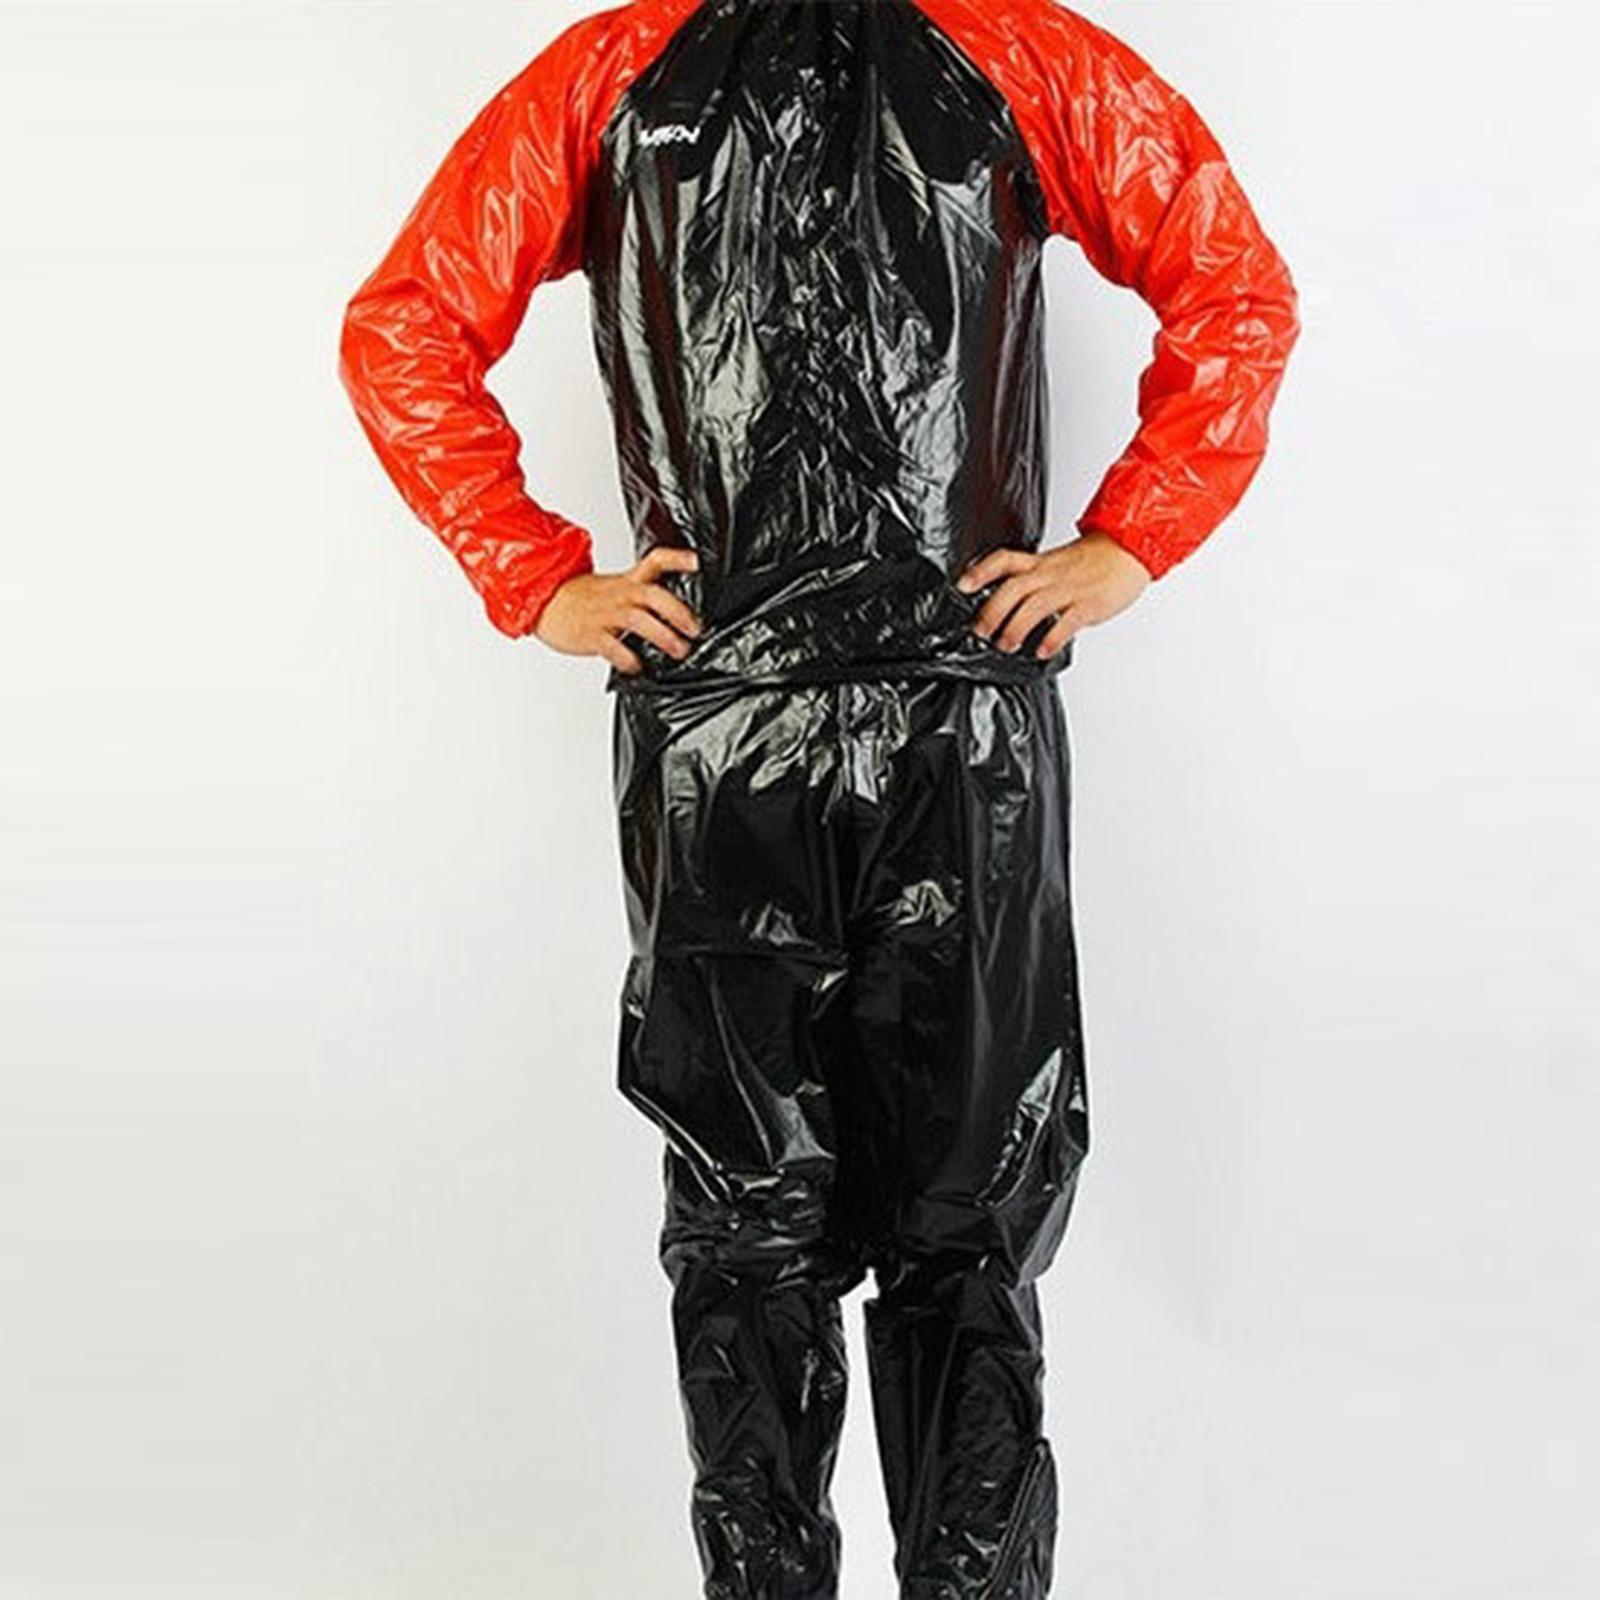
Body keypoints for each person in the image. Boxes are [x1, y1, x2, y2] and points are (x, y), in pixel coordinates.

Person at [338, 1, 1300, 1593]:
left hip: (858, 728)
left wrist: (1130, 541)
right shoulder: (652, 70)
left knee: (888, 1226)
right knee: (833, 1226)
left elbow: (1231, 287)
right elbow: (406, 329)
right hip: (850, 733)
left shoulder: (926, 56)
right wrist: (539, 580)